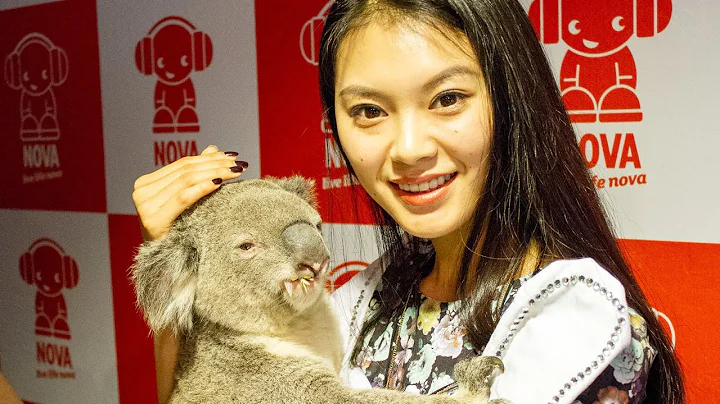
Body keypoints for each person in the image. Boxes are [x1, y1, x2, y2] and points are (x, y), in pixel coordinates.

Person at [132, 1, 683, 403]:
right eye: (369, 111)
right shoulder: (365, 300)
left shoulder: (576, 324)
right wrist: (185, 269)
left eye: (448, 99)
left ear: (511, 100)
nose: (410, 149)